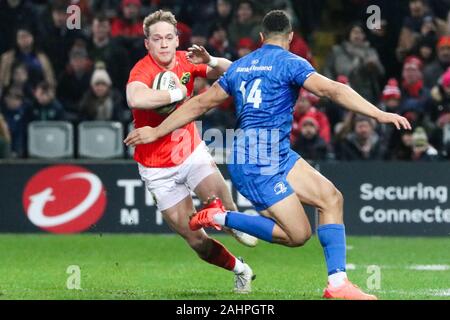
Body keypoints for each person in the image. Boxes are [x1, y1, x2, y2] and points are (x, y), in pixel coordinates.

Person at [125, 10, 412, 300]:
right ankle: (221, 216)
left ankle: (337, 284)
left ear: (261, 38)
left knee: (331, 197)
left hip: (275, 154)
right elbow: (333, 90)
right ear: (290, 37)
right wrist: (378, 113)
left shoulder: (242, 65)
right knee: (298, 235)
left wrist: (157, 130)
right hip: (256, 161)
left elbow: (199, 104)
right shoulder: (291, 62)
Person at [124, 10, 257, 294]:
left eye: (169, 38)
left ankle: (234, 223)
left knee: (222, 205)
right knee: (196, 240)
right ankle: (240, 268)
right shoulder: (142, 70)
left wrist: (211, 60)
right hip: (156, 168)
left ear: (176, 40)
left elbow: (234, 70)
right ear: (147, 43)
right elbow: (136, 97)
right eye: (156, 39)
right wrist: (177, 94)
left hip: (190, 151)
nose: (163, 44)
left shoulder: (188, 59)